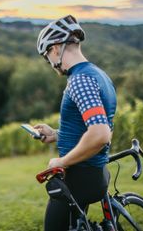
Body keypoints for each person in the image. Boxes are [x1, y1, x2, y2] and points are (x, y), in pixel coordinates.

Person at [34, 15, 117, 230]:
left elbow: (100, 134)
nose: (50, 64)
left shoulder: (79, 80)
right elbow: (95, 126)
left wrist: (62, 162)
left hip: (79, 177)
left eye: (46, 57)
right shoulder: (98, 74)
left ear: (54, 49)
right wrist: (56, 134)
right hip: (95, 174)